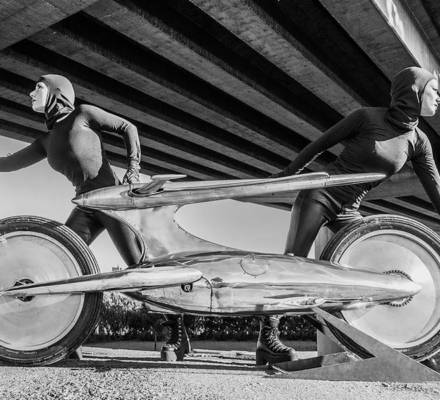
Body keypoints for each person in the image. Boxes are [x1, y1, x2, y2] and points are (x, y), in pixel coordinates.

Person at [257, 66, 440, 367]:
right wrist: (287, 175)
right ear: (415, 91)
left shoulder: (419, 141)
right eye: (434, 90)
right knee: (292, 265)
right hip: (320, 195)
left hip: (349, 210)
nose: (439, 97)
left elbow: (436, 189)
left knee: (373, 272)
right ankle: (267, 340)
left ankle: (396, 345)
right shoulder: (367, 117)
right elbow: (320, 145)